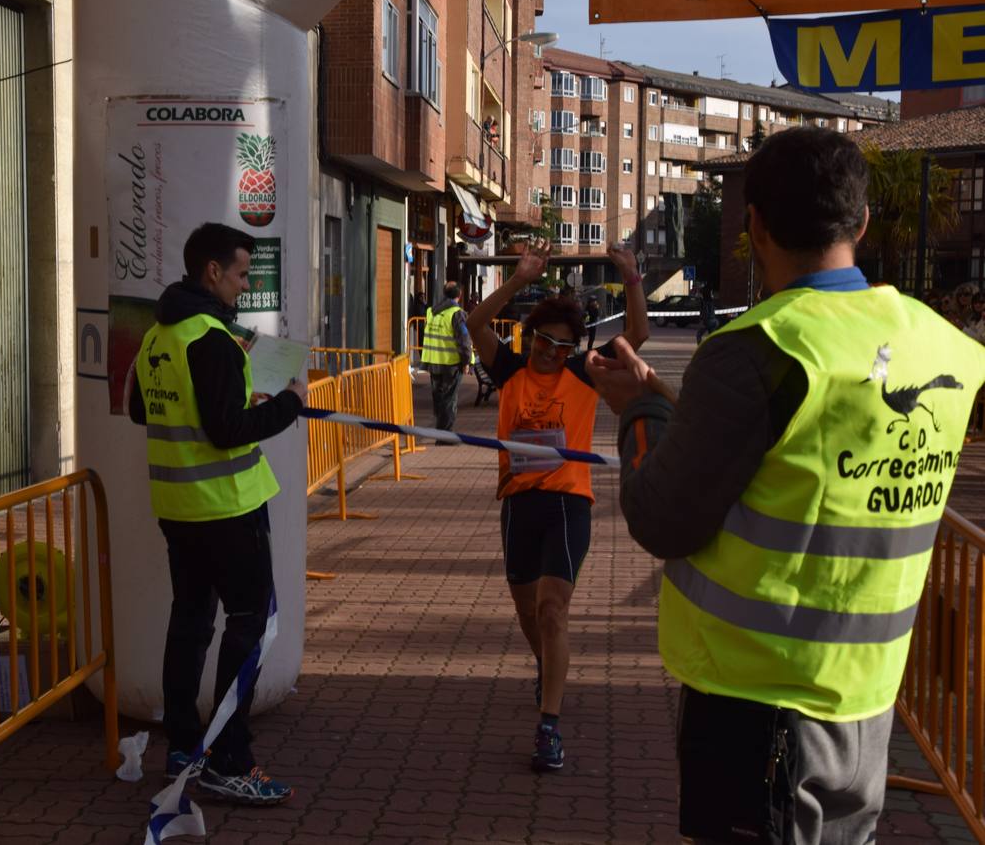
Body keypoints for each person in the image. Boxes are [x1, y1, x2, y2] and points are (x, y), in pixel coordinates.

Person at [584, 127, 985, 844]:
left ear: (754, 224)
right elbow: (800, 460)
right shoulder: (946, 346)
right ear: (859, 222)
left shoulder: (756, 349)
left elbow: (659, 518)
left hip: (757, 705)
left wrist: (638, 407)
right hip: (865, 698)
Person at [128, 222, 307, 805]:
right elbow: (227, 429)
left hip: (179, 508)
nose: (244, 281)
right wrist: (285, 406)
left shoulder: (159, 335)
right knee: (249, 626)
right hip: (228, 508)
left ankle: (184, 745)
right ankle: (229, 757)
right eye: (239, 271)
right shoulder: (210, 337)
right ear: (212, 271)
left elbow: (137, 408)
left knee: (191, 623)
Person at [465, 238, 648, 772]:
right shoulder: (511, 371)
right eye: (545, 342)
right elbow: (475, 326)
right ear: (531, 337)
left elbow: (636, 336)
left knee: (553, 608)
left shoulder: (582, 374)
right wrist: (519, 279)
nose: (552, 353)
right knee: (528, 613)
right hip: (519, 506)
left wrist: (632, 277)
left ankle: (549, 726)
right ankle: (549, 669)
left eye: (563, 346)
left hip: (569, 504)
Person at [420, 281, 472, 437]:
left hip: (433, 362)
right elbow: (464, 340)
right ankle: (445, 435)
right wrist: (466, 362)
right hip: (451, 364)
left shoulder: (431, 312)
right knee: (449, 399)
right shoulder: (457, 314)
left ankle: (440, 430)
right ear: (459, 295)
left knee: (438, 397)